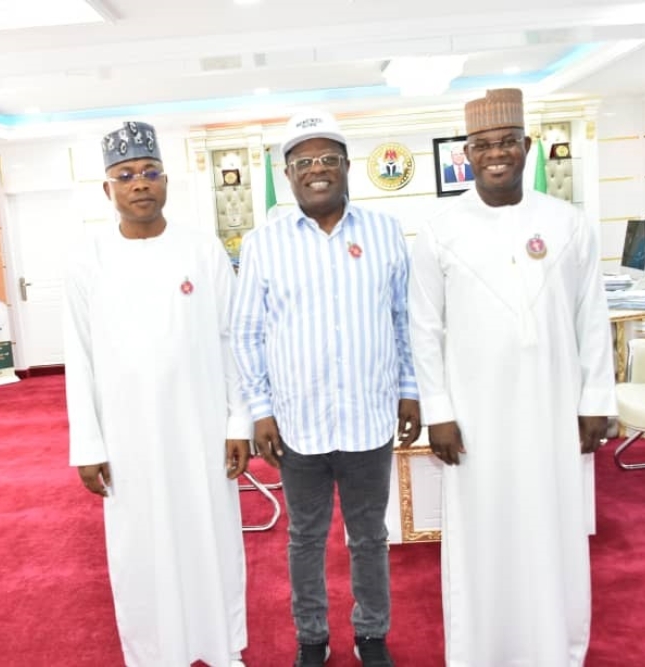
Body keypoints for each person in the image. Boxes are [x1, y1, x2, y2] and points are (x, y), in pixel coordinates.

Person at [406, 88, 616, 666]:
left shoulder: (568, 223)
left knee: (554, 526)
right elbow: (425, 330)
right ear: (465, 154)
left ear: (527, 147)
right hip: (475, 418)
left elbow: (590, 316)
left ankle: (555, 650)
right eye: (481, 146)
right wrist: (439, 414)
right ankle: (482, 650)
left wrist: (595, 397)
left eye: (505, 143)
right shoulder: (441, 230)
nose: (494, 154)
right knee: (483, 534)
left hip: (553, 407)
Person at [230, 110, 421, 667]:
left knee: (369, 538)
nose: (318, 170)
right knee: (305, 539)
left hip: (370, 415)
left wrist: (410, 391)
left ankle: (372, 635)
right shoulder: (263, 243)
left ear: (346, 168)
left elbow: (403, 318)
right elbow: (246, 333)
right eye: (304, 162)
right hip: (297, 422)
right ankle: (311, 638)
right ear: (288, 175)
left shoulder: (385, 232)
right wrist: (261, 411)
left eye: (328, 160)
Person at [62, 120, 252, 667]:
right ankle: (153, 656)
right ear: (108, 189)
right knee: (139, 549)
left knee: (211, 539)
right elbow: (79, 355)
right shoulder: (87, 259)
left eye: (149, 173)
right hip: (127, 439)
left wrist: (237, 422)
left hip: (200, 430)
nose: (139, 184)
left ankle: (222, 649)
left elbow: (230, 337)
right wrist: (87, 446)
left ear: (166, 181)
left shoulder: (201, 247)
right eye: (125, 176)